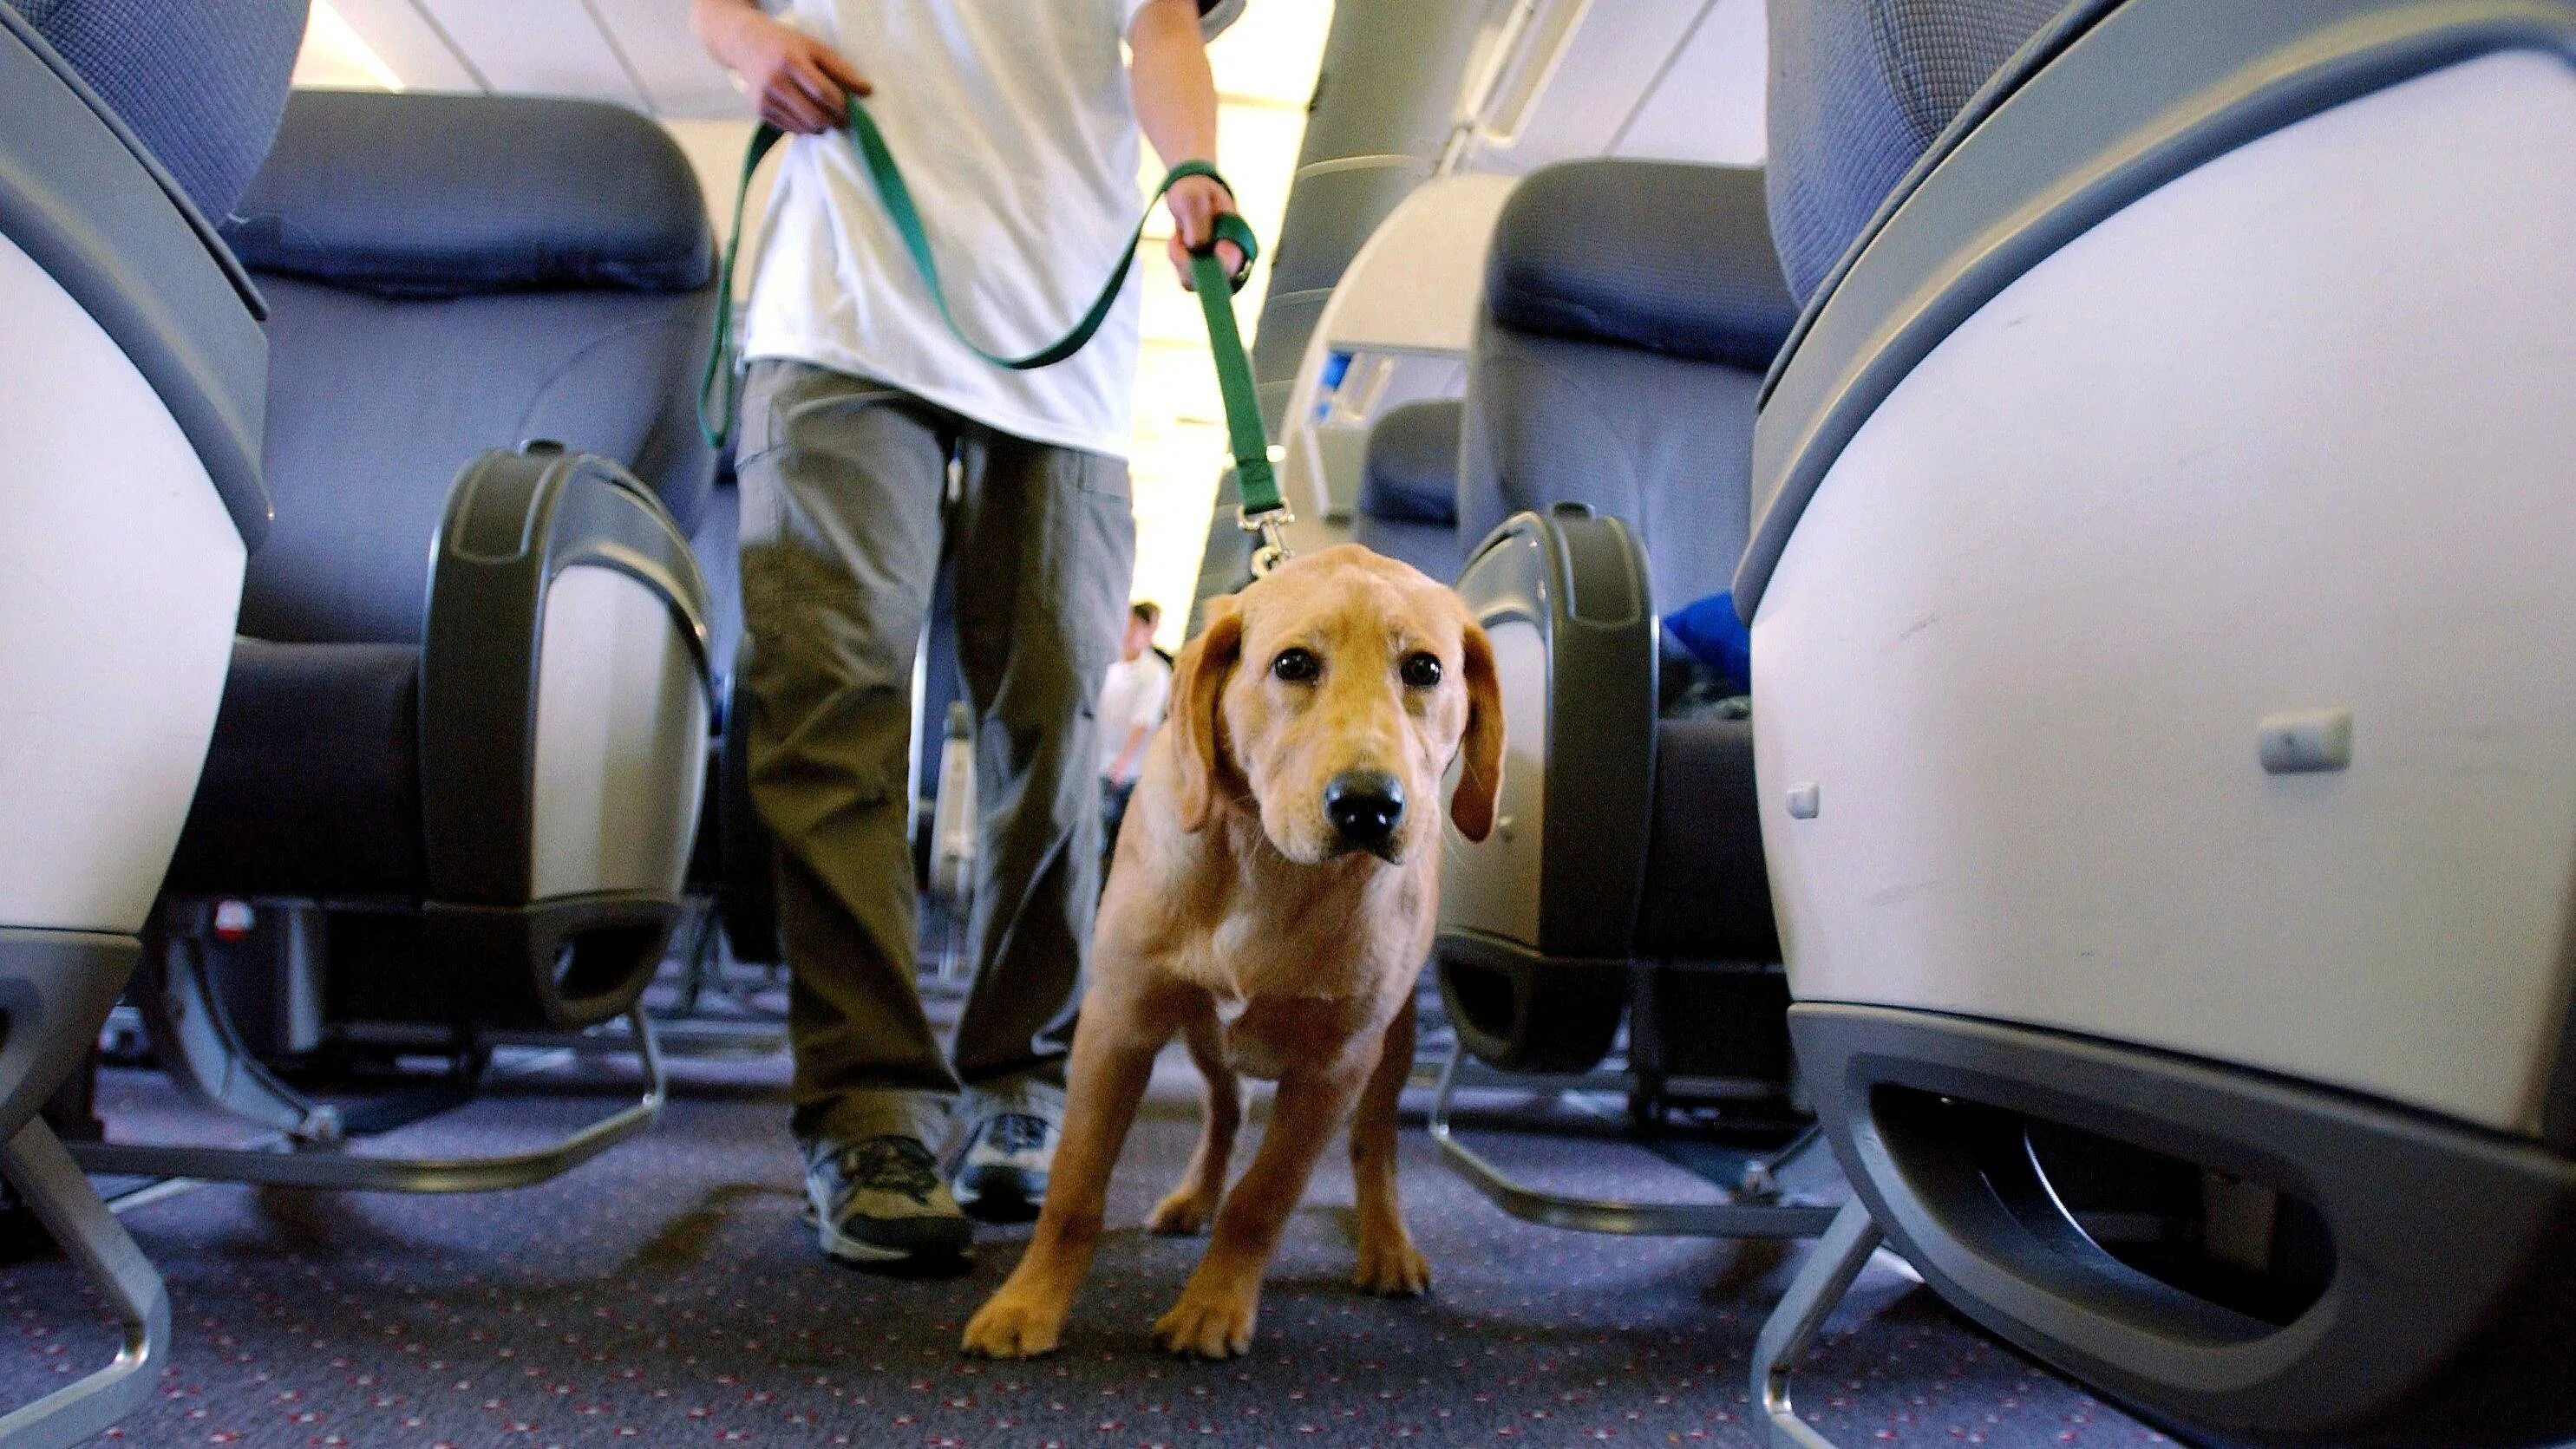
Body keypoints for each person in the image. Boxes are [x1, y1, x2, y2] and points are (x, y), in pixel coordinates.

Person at [690, 0, 1242, 1270]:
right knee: (826, 709)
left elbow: (1160, 24)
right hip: (840, 305)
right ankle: (869, 1107)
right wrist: (741, 42)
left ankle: (1023, 1086)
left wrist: (1195, 166)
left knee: (1050, 726)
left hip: (1064, 333)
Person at [1095, 601, 1172, 880]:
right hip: (1096, 760)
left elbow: (1144, 722)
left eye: (1136, 628)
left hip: (1123, 773)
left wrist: (1123, 762)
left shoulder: (1154, 673)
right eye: (1126, 625)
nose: (1128, 633)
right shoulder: (1111, 660)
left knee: (1107, 842)